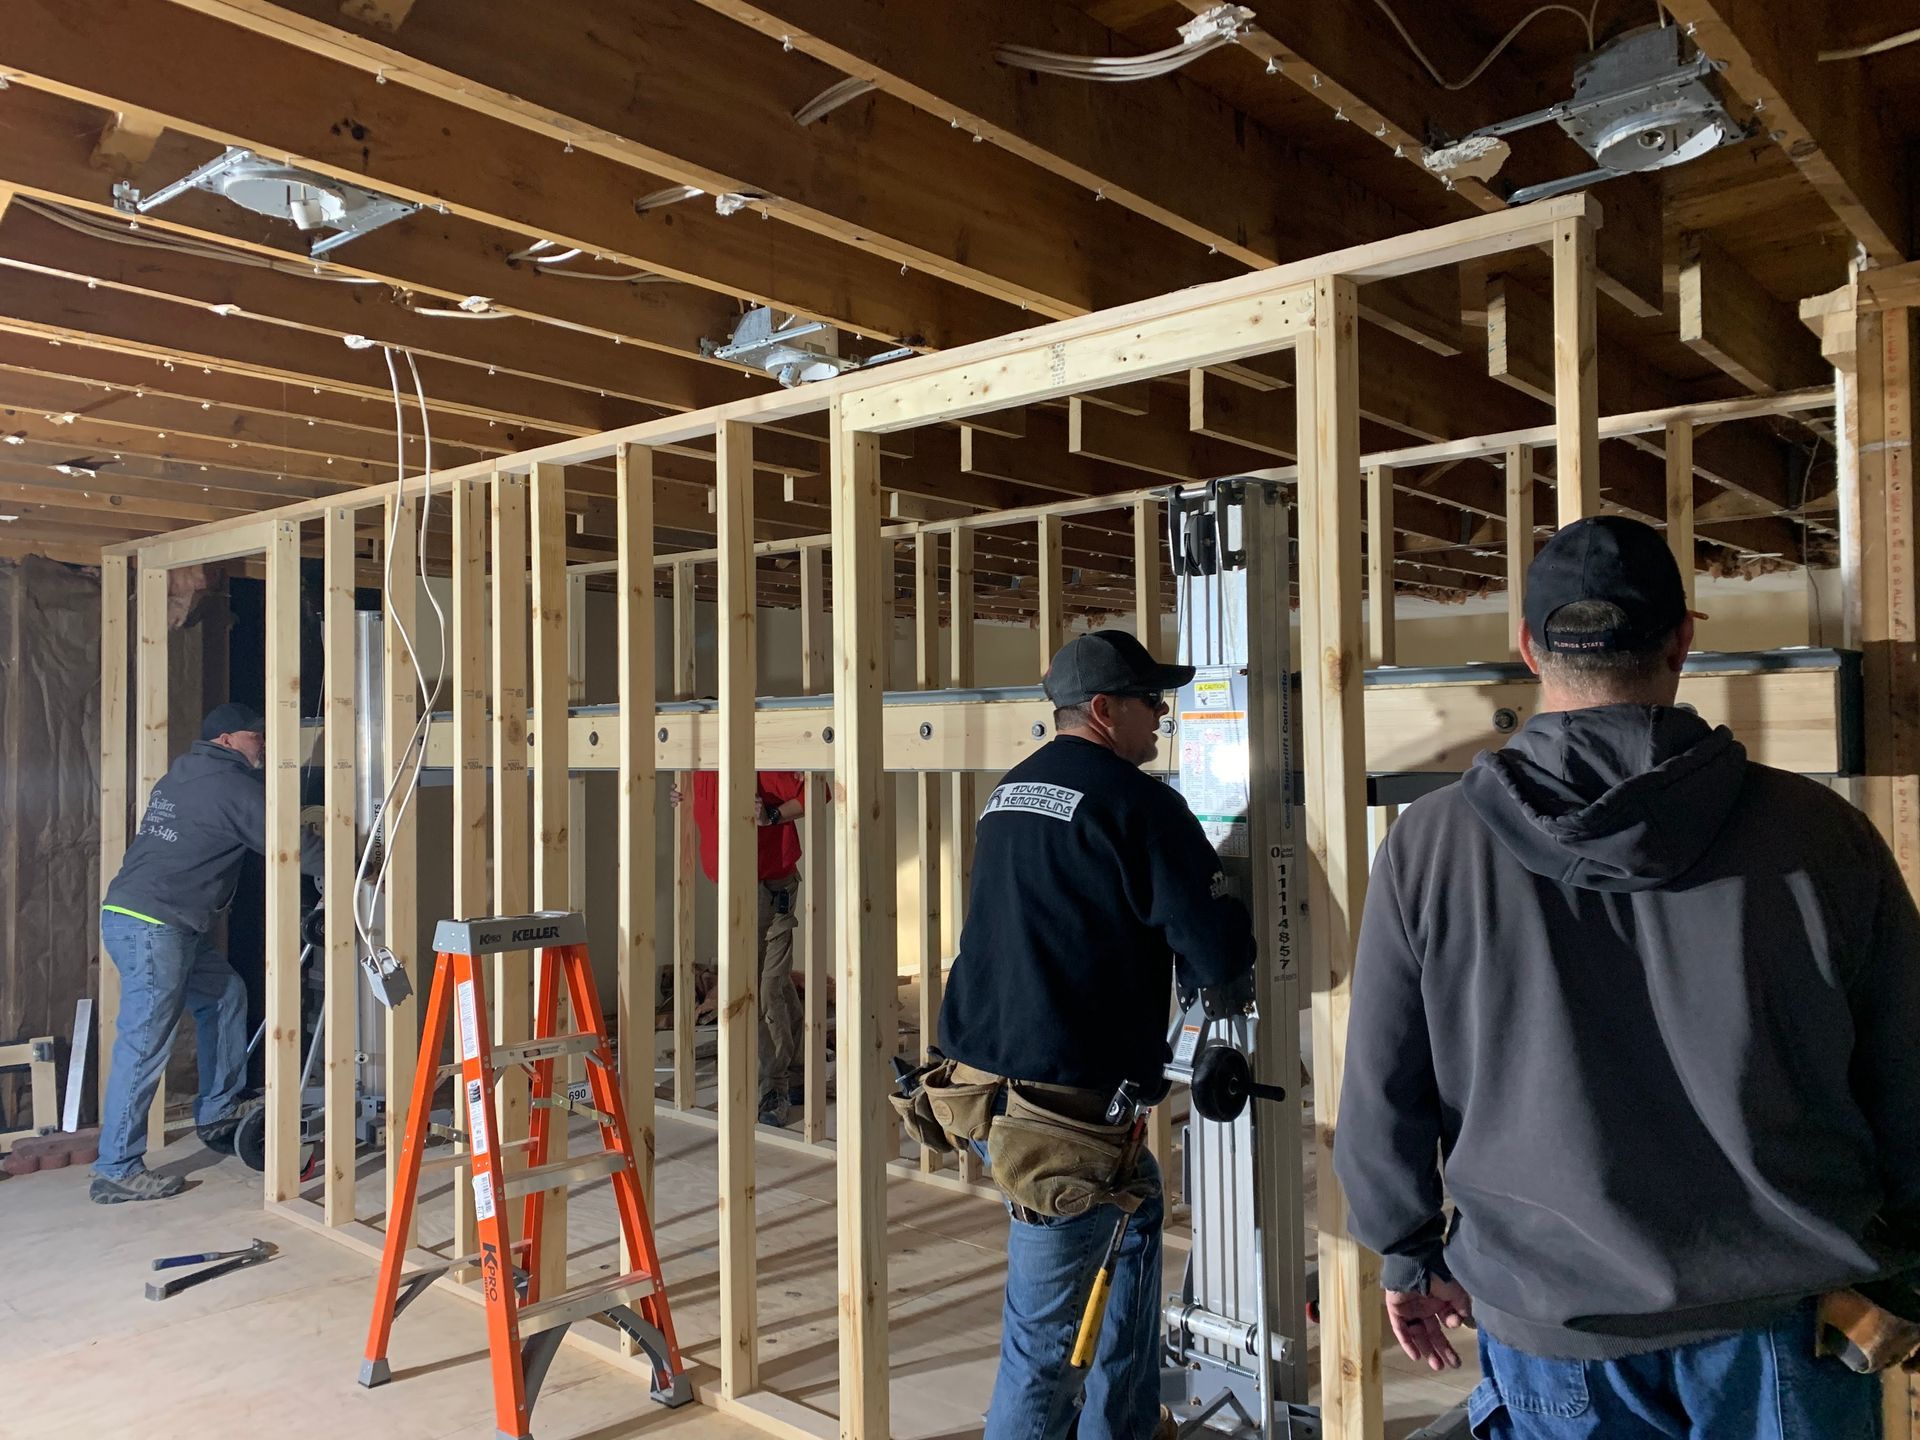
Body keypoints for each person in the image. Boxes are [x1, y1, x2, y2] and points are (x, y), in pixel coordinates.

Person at [1335, 515, 1920, 1438]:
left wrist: (1405, 1252)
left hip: (1554, 1323)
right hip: (1788, 1325)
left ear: (1528, 646)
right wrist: (1905, 1263)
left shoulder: (1430, 847)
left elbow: (1381, 1085)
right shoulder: (1822, 835)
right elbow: (1906, 1069)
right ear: (1683, 639)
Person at [937, 630, 1257, 1440]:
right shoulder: (1138, 804)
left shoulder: (1009, 792)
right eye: (1152, 702)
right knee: (1044, 1354)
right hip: (1061, 1122)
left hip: (981, 1091)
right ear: (1105, 710)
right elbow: (1216, 952)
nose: (1162, 716)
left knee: (1138, 1210)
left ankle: (1124, 1425)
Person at [95, 702, 324, 1203]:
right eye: (254, 736)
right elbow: (288, 843)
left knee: (224, 995)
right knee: (144, 1044)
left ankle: (219, 1108)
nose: (262, 744)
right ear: (226, 740)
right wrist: (356, 865)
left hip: (146, 918)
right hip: (156, 926)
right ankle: (116, 1168)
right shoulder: (230, 785)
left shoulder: (184, 775)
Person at [672, 767, 809, 1127]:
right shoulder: (703, 765)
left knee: (762, 987)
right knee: (774, 983)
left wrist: (772, 815)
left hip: (770, 887)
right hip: (733, 886)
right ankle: (797, 1071)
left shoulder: (756, 760)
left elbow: (815, 793)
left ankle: (773, 1087)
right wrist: (685, 798)